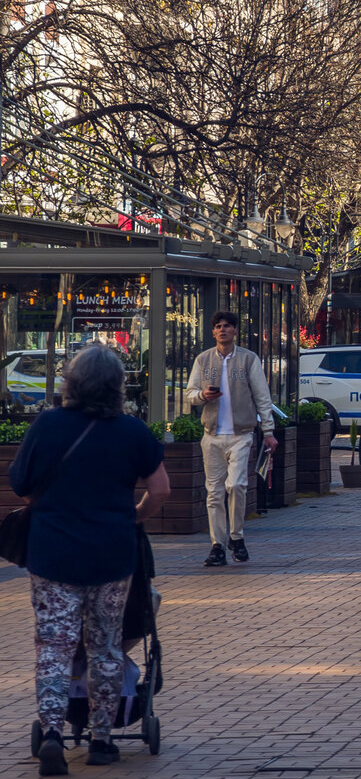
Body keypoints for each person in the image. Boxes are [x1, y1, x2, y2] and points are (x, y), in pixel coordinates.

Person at [10, 346, 168, 775]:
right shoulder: (132, 431)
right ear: (117, 386)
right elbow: (161, 490)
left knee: (54, 646)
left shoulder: (47, 425)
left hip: (53, 555)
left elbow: (22, 485)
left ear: (72, 383)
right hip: (111, 555)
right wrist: (135, 516)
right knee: (105, 646)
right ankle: (101, 739)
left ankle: (53, 734)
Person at [186, 310, 277, 568]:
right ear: (213, 331)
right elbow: (190, 393)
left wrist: (268, 431)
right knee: (214, 492)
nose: (222, 330)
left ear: (235, 330)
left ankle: (236, 536)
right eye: (218, 326)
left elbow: (262, 397)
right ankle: (217, 544)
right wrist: (202, 396)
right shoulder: (203, 359)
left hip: (241, 434)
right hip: (212, 435)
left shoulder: (248, 359)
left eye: (227, 326)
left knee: (236, 485)